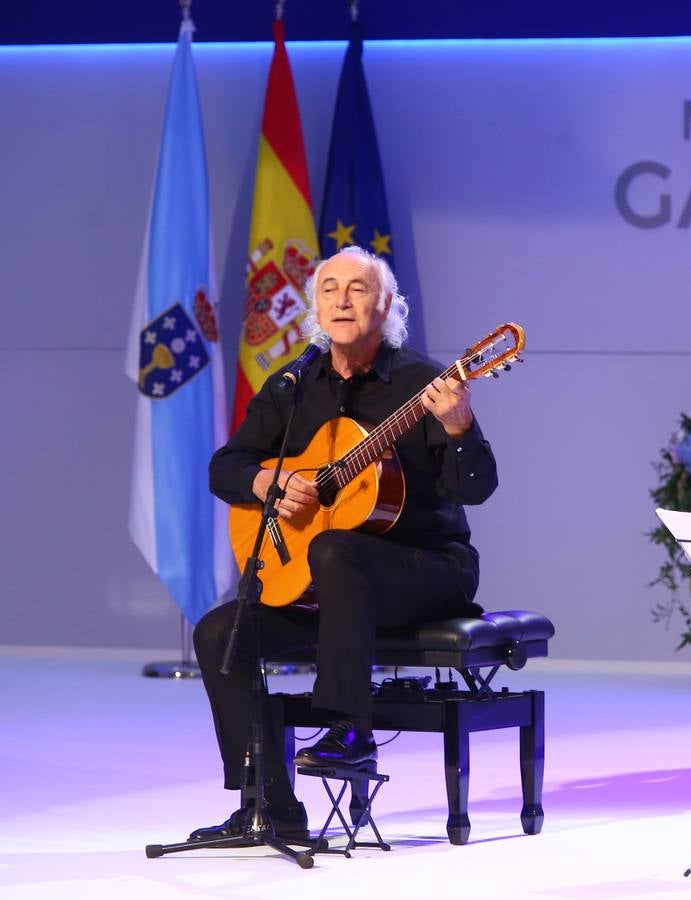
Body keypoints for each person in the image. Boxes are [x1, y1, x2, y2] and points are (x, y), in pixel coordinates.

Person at [189, 245, 497, 842]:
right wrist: (266, 482)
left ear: (387, 306)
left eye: (357, 289)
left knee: (337, 548)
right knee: (220, 632)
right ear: (315, 308)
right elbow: (225, 467)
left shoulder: (425, 385)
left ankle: (349, 730)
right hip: (328, 590)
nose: (342, 300)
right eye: (329, 289)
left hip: (427, 572)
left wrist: (460, 427)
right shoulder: (295, 385)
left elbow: (477, 488)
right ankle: (268, 806)